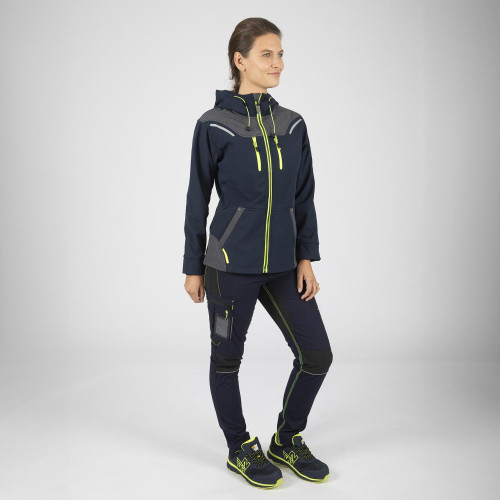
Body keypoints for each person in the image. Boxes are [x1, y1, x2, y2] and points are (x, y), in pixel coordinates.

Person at [182, 17, 333, 489]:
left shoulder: (293, 124)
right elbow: (196, 198)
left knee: (317, 355)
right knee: (227, 359)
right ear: (240, 60)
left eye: (281, 54)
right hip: (228, 267)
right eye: (267, 54)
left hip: (284, 266)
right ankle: (239, 447)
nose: (278, 63)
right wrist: (192, 267)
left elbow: (303, 196)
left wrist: (306, 257)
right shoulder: (213, 125)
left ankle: (286, 440)